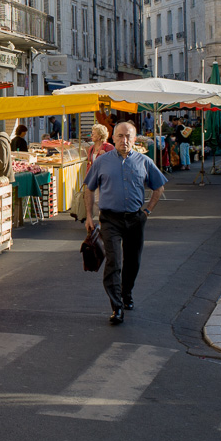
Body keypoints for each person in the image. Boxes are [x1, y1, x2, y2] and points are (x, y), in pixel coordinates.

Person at [82, 122, 168, 324]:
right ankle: (116, 306)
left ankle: (126, 293)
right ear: (113, 138)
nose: (124, 140)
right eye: (120, 136)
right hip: (110, 218)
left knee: (133, 261)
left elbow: (159, 187)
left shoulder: (144, 161)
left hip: (135, 218)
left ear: (135, 139)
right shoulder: (102, 162)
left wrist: (147, 211)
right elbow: (89, 188)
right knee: (113, 261)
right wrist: (88, 216)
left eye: (128, 136)